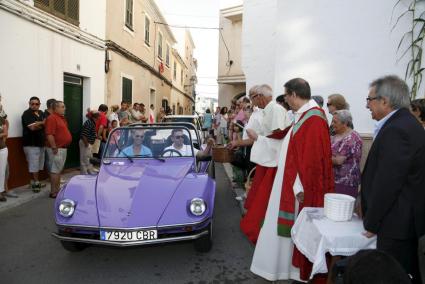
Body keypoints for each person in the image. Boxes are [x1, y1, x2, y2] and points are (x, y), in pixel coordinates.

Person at [247, 78, 334, 282]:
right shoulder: (301, 116)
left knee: (295, 227)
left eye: (286, 95)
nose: (285, 100)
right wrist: (260, 139)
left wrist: (299, 186)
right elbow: (285, 142)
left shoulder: (314, 119)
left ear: (294, 94)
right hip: (287, 181)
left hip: (298, 186)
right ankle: (283, 267)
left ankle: (295, 270)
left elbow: (312, 161)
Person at [361, 75, 425, 284]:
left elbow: (388, 182)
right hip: (400, 218)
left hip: (397, 222)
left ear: (385, 101)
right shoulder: (403, 123)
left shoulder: (398, 129)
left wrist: (372, 221)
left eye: (370, 100)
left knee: (394, 275)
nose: (367, 105)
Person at [239, 84, 290, 245]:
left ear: (260, 96)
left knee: (265, 198)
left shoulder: (275, 109)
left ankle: (263, 230)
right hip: (267, 160)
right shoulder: (269, 110)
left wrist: (256, 137)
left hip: (272, 162)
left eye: (253, 98)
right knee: (261, 197)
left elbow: (279, 140)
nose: (253, 104)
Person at [331, 110, 362, 198]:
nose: (332, 124)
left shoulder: (352, 138)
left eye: (335, 122)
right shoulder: (334, 135)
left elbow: (338, 160)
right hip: (333, 180)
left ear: (345, 123)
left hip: (345, 183)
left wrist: (322, 157)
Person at [45, 101, 72, 198]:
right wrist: (53, 146)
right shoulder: (52, 118)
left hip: (62, 148)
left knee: (58, 170)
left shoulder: (61, 118)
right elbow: (49, 134)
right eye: (62, 107)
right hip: (56, 148)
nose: (64, 108)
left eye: (64, 106)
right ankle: (53, 192)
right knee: (55, 170)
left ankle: (57, 189)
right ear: (55, 108)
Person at [21, 96, 46, 192]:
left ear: (39, 104)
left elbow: (46, 123)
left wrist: (38, 123)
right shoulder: (26, 114)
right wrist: (42, 123)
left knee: (39, 164)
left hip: (40, 143)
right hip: (31, 144)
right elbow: (32, 128)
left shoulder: (41, 113)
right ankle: (35, 183)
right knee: (34, 164)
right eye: (32, 103)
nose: (34, 105)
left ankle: (36, 181)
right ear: (29, 104)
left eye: (37, 104)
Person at [0, 109, 8, 202]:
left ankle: (0, 193)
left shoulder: (1, 119)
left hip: (2, 149)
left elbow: (5, 133)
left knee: (1, 172)